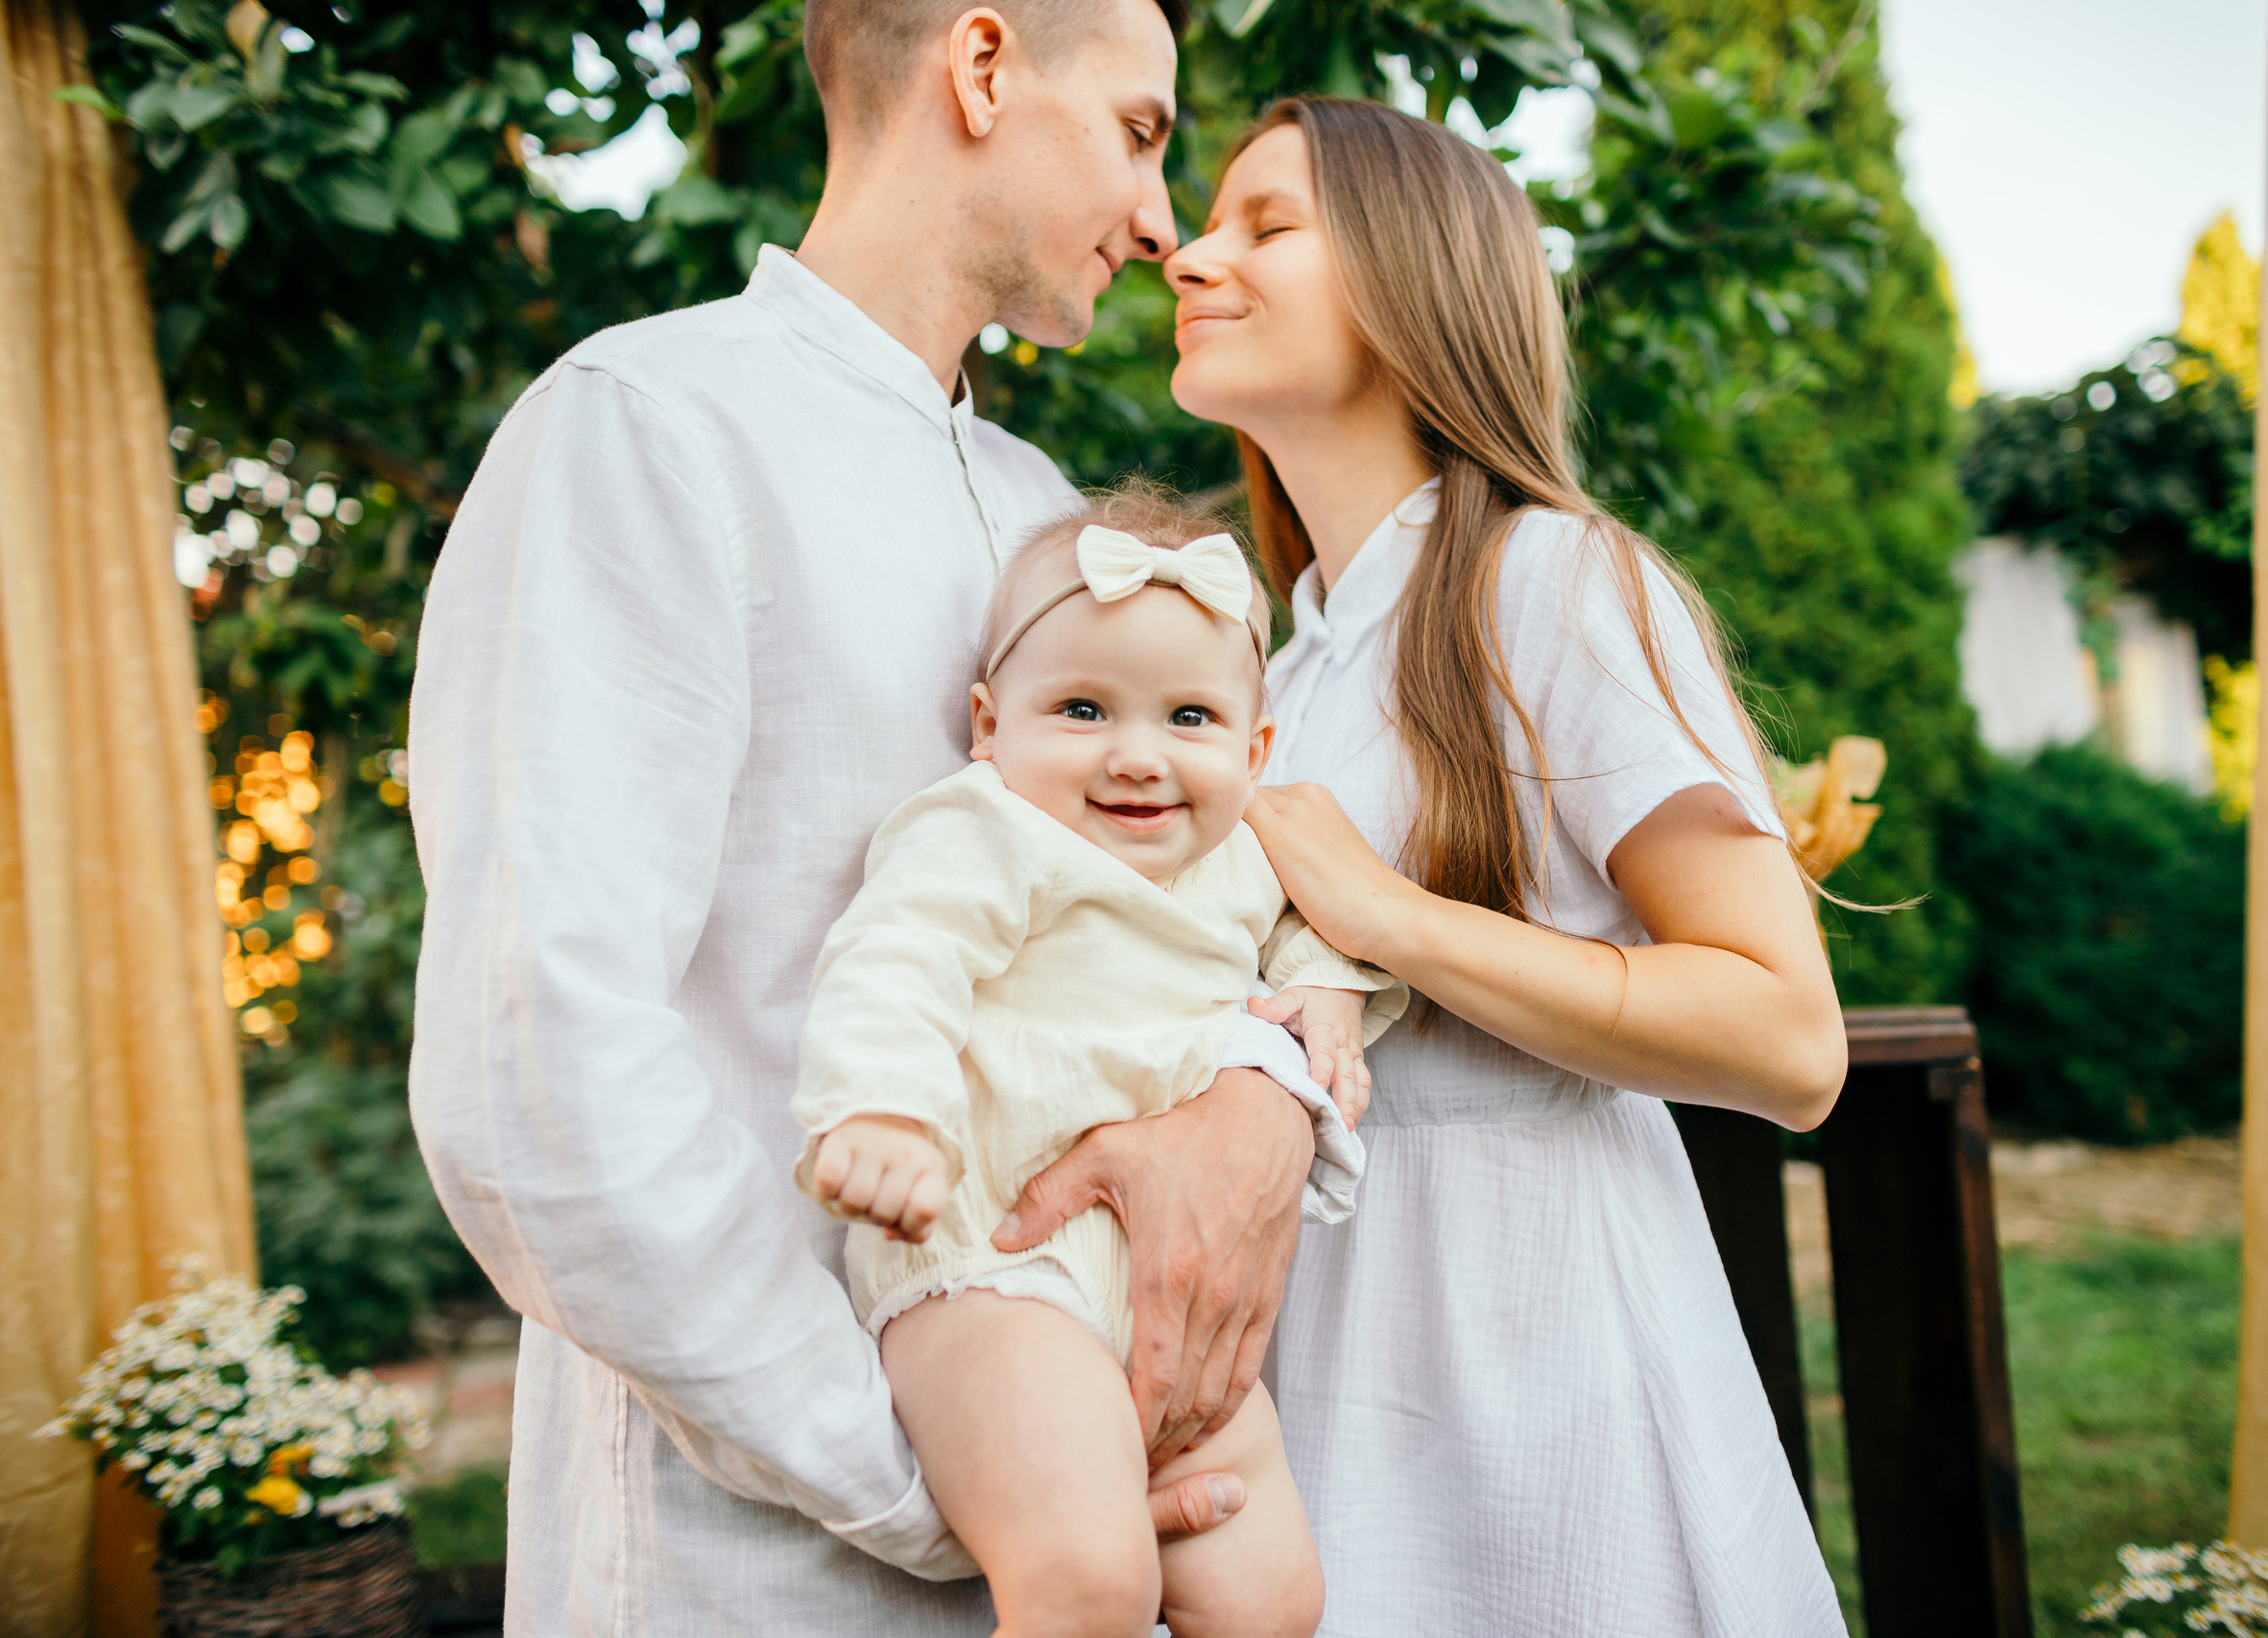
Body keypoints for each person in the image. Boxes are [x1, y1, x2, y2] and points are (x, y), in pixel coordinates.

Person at [406, 7, 1356, 1629]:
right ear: (982, 67)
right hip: (755, 1555)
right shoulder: (648, 425)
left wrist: (1260, 1097)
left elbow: (1198, 900)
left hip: (1094, 1502)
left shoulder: (1050, 511)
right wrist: (926, 1479)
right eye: (1138, 132)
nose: (1157, 217)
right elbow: (539, 1074)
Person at [1162, 98, 1853, 1633]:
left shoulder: (1555, 579)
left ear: (1417, 281)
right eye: (1210, 220)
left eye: (1266, 225)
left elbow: (1788, 1037)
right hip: (1329, 1374)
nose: (1191, 254)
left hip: (1541, 1373)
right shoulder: (1292, 648)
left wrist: (1388, 917)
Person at [799, 490, 1404, 1637]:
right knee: (1087, 1580)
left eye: (1189, 717)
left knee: (1271, 1598)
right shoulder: (989, 829)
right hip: (994, 1269)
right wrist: (881, 1110)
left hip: (1169, 1296)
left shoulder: (1239, 855)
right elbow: (897, 956)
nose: (1137, 758)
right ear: (988, 724)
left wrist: (1326, 983)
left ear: (1254, 748)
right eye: (1081, 709)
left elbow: (1328, 926)